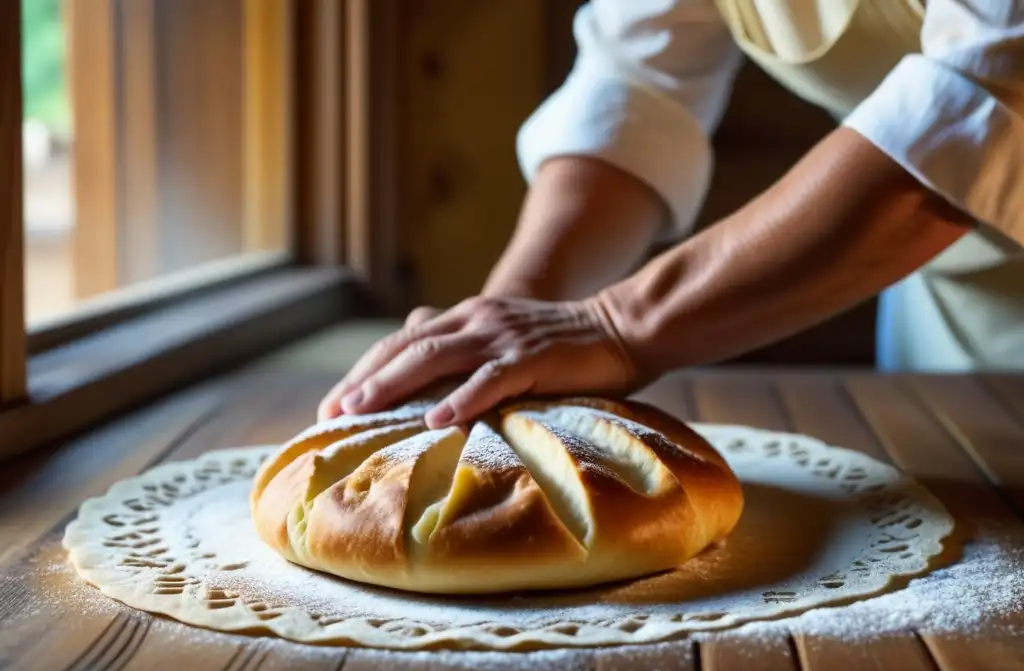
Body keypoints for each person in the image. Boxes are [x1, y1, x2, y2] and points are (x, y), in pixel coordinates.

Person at [319, 0, 1024, 430]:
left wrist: (617, 325)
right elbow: (638, 83)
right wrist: (515, 311)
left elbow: (983, 96)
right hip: (953, 311)